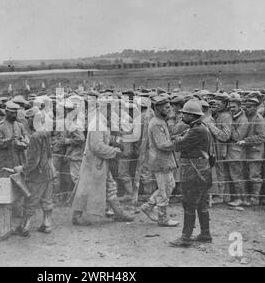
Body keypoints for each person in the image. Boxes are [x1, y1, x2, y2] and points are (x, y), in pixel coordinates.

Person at [71, 102, 135, 226]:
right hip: (93, 162)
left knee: (109, 185)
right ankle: (76, 215)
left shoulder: (102, 121)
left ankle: (118, 212)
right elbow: (96, 146)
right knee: (85, 188)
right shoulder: (97, 123)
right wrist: (113, 151)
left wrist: (113, 142)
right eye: (110, 110)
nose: (113, 113)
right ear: (103, 109)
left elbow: (102, 139)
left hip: (99, 161)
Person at [169, 100, 212, 247]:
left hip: (193, 171)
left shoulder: (196, 130)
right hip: (202, 170)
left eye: (185, 114)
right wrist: (180, 138)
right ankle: (205, 234)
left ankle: (185, 238)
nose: (182, 116)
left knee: (189, 204)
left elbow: (179, 145)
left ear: (192, 115)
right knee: (201, 204)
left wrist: (177, 139)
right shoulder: (199, 127)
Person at [13, 107, 55, 237]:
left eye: (28, 119)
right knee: (47, 200)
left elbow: (33, 161)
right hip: (49, 171)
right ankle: (47, 225)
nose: (27, 122)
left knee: (30, 200)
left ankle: (24, 227)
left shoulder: (35, 136)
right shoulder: (45, 132)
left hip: (38, 174)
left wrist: (22, 169)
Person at [140, 96, 179, 227]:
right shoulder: (156, 123)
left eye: (169, 106)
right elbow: (162, 144)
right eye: (166, 107)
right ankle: (162, 218)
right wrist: (178, 142)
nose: (170, 109)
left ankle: (148, 205)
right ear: (158, 108)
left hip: (164, 160)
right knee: (164, 190)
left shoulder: (161, 121)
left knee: (170, 186)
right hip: (160, 160)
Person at [238, 98, 265, 206]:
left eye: (249, 107)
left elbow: (262, 137)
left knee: (254, 175)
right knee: (245, 174)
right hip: (246, 151)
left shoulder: (259, 119)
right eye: (246, 106)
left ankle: (255, 198)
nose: (246, 108)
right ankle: (248, 197)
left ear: (256, 107)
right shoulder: (246, 117)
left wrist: (246, 141)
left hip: (255, 152)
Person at [206, 95, 232, 204]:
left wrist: (211, 127)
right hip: (215, 148)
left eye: (219, 103)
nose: (216, 106)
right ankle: (223, 196)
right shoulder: (216, 115)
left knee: (221, 172)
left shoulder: (225, 117)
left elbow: (225, 136)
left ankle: (222, 196)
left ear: (225, 104)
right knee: (217, 171)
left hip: (221, 149)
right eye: (214, 103)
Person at [0, 101, 29, 169]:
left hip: (19, 161)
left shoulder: (20, 126)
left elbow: (27, 141)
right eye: (11, 113)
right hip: (6, 162)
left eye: (15, 113)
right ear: (6, 112)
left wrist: (22, 141)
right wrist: (8, 140)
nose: (14, 115)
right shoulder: (0, 126)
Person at [227, 97, 249, 207]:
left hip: (237, 152)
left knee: (237, 175)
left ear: (239, 107)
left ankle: (240, 198)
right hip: (232, 152)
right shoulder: (234, 117)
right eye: (230, 107)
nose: (231, 109)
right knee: (234, 175)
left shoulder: (243, 119)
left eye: (234, 107)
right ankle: (239, 197)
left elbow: (237, 137)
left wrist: (229, 125)